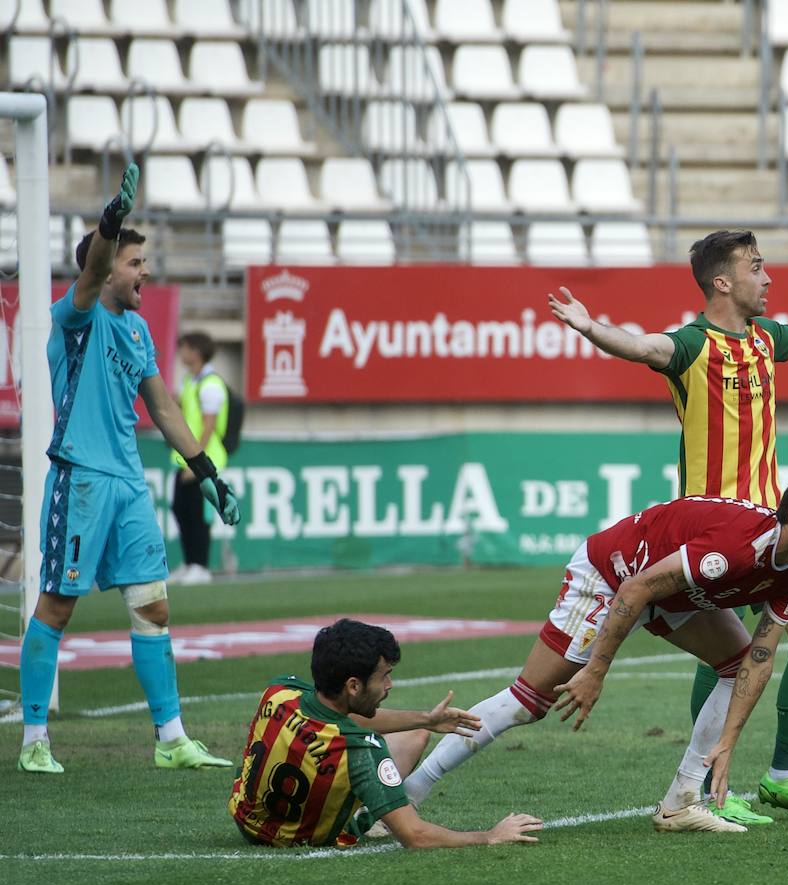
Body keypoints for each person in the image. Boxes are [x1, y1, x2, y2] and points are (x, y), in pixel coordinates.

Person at [545, 229, 788, 825]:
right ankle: (706, 787)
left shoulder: (766, 338)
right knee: (732, 654)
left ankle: (778, 777)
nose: (769, 277)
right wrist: (588, 326)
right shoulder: (691, 345)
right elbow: (639, 348)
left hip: (779, 529)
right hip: (713, 529)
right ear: (724, 281)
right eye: (758, 267)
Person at [403, 471, 788, 833]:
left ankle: (680, 804)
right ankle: (410, 795)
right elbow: (636, 587)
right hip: (612, 573)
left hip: (668, 592)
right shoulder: (734, 551)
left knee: (734, 663)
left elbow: (761, 657)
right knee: (530, 701)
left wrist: (729, 742)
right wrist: (596, 670)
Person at [18, 164, 242, 774]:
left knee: (154, 604)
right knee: (58, 605)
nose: (145, 273)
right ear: (109, 264)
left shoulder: (139, 330)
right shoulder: (77, 315)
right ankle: (34, 738)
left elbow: (164, 407)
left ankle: (170, 737)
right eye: (135, 263)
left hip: (126, 481)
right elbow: (91, 271)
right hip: (80, 477)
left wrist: (208, 472)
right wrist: (110, 223)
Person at [229, 618, 543, 849]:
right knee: (389, 782)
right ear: (353, 685)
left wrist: (425, 720)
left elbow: (337, 720)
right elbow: (414, 836)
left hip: (247, 820)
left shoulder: (280, 690)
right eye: (385, 677)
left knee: (415, 734)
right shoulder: (363, 752)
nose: (389, 686)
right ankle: (375, 814)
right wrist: (489, 836)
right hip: (297, 838)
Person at [169, 331, 229, 585]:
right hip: (185, 459)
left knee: (198, 513)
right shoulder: (190, 381)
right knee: (181, 510)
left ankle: (201, 566)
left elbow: (208, 426)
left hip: (204, 461)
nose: (181, 353)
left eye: (185, 348)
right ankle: (190, 562)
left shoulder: (211, 384)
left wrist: (198, 462)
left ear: (197, 351)